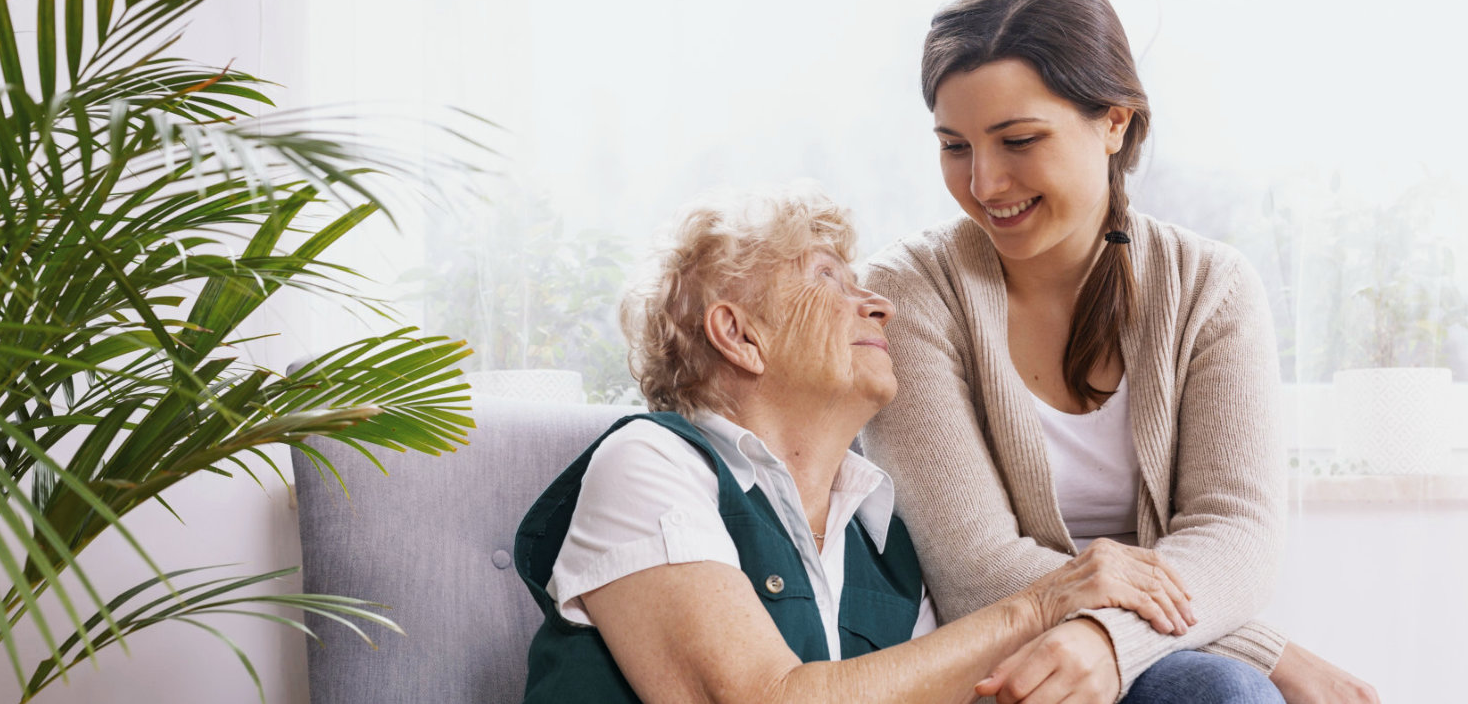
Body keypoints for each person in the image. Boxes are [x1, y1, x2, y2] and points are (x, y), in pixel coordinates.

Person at [859, 0, 1379, 704]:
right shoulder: (910, 293)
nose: (984, 183)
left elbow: (1235, 535)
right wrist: (1269, 646)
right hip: (986, 659)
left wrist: (1108, 639)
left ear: (1115, 121)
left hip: (1162, 657)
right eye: (954, 145)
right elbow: (970, 565)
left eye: (1017, 140)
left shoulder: (1211, 287)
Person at [513, 185, 1205, 703]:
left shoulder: (882, 537)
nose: (880, 304)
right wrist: (1041, 602)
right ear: (740, 334)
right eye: (826, 278)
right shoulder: (653, 463)